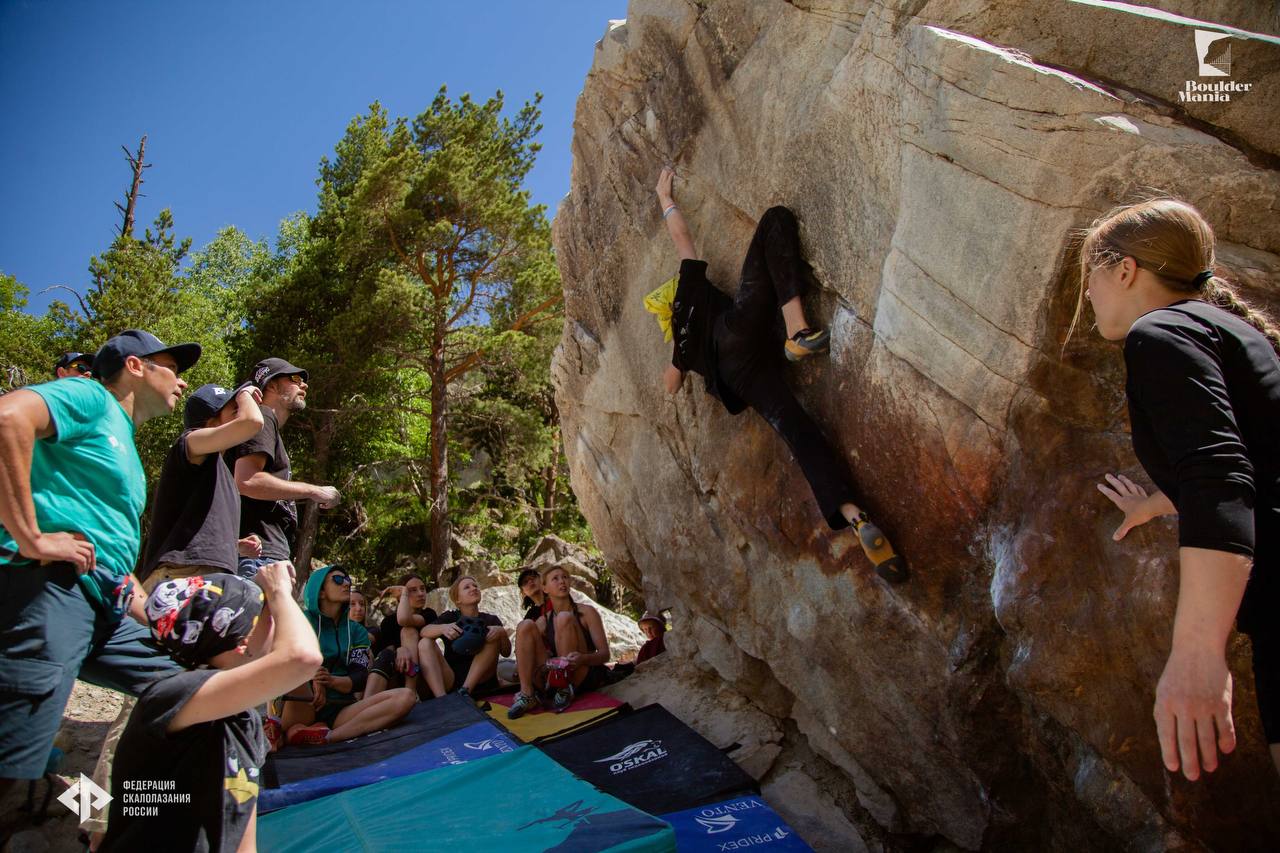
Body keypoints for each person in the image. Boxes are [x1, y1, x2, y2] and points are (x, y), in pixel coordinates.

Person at [1076, 198, 1280, 781]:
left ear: (1124, 270)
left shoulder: (1158, 332)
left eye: (1090, 275)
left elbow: (1221, 472)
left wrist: (1196, 654)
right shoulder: (1232, 331)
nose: (1088, 295)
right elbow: (1259, 460)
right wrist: (1161, 500)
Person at [649, 168, 906, 583]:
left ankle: (853, 515)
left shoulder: (679, 339)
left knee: (799, 432)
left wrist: (676, 359)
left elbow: (671, 384)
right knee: (774, 221)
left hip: (739, 378)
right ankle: (797, 330)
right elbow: (682, 240)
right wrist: (665, 198)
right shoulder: (686, 295)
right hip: (737, 330)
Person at [0, 330, 197, 789]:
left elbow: (112, 554)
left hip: (106, 610)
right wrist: (31, 538)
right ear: (135, 366)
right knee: (13, 766)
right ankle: (64, 812)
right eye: (172, 367)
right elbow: (8, 418)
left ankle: (123, 818)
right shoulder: (90, 396)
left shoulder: (124, 443)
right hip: (51, 591)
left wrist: (158, 618)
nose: (182, 382)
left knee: (193, 690)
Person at [99, 562, 321, 853]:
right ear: (242, 640)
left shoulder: (246, 721)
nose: (280, 626)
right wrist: (279, 591)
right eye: (271, 617)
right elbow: (302, 658)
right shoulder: (170, 694)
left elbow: (241, 830)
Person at [138, 382, 267, 594]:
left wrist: (234, 545)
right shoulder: (190, 443)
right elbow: (252, 422)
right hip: (181, 575)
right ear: (210, 421)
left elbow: (193, 531)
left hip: (210, 574)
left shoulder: (221, 471)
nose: (242, 409)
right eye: (234, 409)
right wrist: (244, 392)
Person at [228, 357, 340, 578]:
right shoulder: (263, 416)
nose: (304, 385)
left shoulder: (264, 424)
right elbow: (247, 481)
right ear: (271, 385)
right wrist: (314, 491)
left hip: (264, 555)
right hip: (259, 557)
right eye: (296, 379)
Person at [281, 564, 416, 745]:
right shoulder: (302, 620)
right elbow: (283, 656)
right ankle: (276, 725)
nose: (346, 584)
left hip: (340, 709)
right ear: (320, 592)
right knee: (288, 665)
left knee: (406, 697)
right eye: (338, 580)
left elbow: (359, 677)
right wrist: (313, 676)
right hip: (304, 703)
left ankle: (328, 737)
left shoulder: (356, 631)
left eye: (347, 580)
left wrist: (330, 681)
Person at [508, 566, 611, 719]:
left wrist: (584, 658)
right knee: (525, 626)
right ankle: (527, 694)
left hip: (579, 673)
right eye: (555, 579)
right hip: (552, 677)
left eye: (564, 577)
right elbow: (529, 649)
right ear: (545, 588)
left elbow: (605, 655)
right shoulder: (544, 619)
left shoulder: (587, 612)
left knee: (564, 617)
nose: (561, 581)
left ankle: (564, 688)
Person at [417, 575, 508, 699]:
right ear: (457, 599)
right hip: (453, 679)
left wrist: (502, 632)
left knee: (493, 635)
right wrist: (443, 628)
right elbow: (424, 631)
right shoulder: (450, 617)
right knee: (425, 643)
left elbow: (506, 652)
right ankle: (442, 699)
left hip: (483, 680)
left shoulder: (491, 619)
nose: (473, 588)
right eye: (467, 587)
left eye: (475, 586)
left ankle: (465, 691)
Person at [365, 574, 438, 698]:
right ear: (400, 596)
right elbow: (387, 652)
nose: (420, 594)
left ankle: (412, 692)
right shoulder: (388, 622)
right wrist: (400, 649)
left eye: (422, 589)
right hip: (398, 676)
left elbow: (404, 620)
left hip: (427, 676)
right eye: (412, 590)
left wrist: (404, 594)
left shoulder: (429, 614)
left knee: (408, 631)